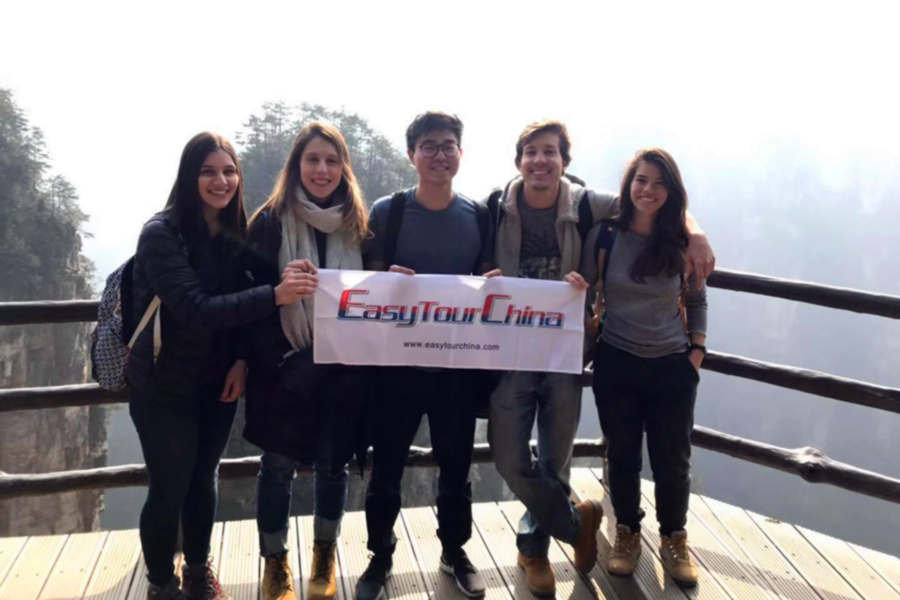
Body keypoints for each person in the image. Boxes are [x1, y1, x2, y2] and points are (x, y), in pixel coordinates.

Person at [488, 121, 714, 597]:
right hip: (530, 353)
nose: (540, 161)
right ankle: (584, 524)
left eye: (550, 152)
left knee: (574, 458)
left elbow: (666, 223)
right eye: (531, 152)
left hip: (582, 356)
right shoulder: (496, 209)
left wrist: (696, 235)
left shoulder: (592, 207)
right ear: (518, 160)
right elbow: (588, 277)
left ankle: (539, 550)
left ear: (565, 162)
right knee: (514, 455)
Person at [127, 132, 312, 600]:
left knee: (203, 480)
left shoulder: (235, 235)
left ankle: (195, 569)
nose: (221, 180)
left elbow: (244, 308)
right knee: (169, 486)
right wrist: (274, 296)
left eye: (229, 171)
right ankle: (161, 582)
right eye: (208, 171)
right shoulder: (161, 235)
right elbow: (195, 307)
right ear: (189, 177)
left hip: (216, 382)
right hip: (163, 384)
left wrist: (241, 359)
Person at [357, 111, 495, 600]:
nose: (440, 154)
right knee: (386, 464)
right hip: (396, 366)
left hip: (456, 367)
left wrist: (492, 284)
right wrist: (384, 277)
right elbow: (366, 277)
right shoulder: (387, 211)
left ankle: (455, 552)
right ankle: (380, 555)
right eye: (430, 146)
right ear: (412, 154)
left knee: (456, 465)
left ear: (461, 152)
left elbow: (485, 275)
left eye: (449, 145)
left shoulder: (478, 215)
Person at [242, 122, 370, 600]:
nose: (322, 170)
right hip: (283, 368)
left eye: (331, 161)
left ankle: (324, 556)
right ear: (296, 166)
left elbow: (376, 295)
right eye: (312, 160)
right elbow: (248, 299)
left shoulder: (359, 225)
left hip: (342, 369)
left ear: (343, 169)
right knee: (275, 466)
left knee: (333, 465)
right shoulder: (270, 222)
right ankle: (275, 562)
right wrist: (278, 305)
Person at [585, 148, 708, 587]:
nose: (648, 190)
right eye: (641, 180)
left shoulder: (679, 239)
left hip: (671, 365)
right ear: (628, 184)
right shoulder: (606, 236)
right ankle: (627, 533)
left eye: (658, 182)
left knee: (672, 458)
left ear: (671, 191)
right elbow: (585, 285)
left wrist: (696, 353)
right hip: (616, 358)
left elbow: (696, 298)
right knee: (621, 453)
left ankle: (675, 538)